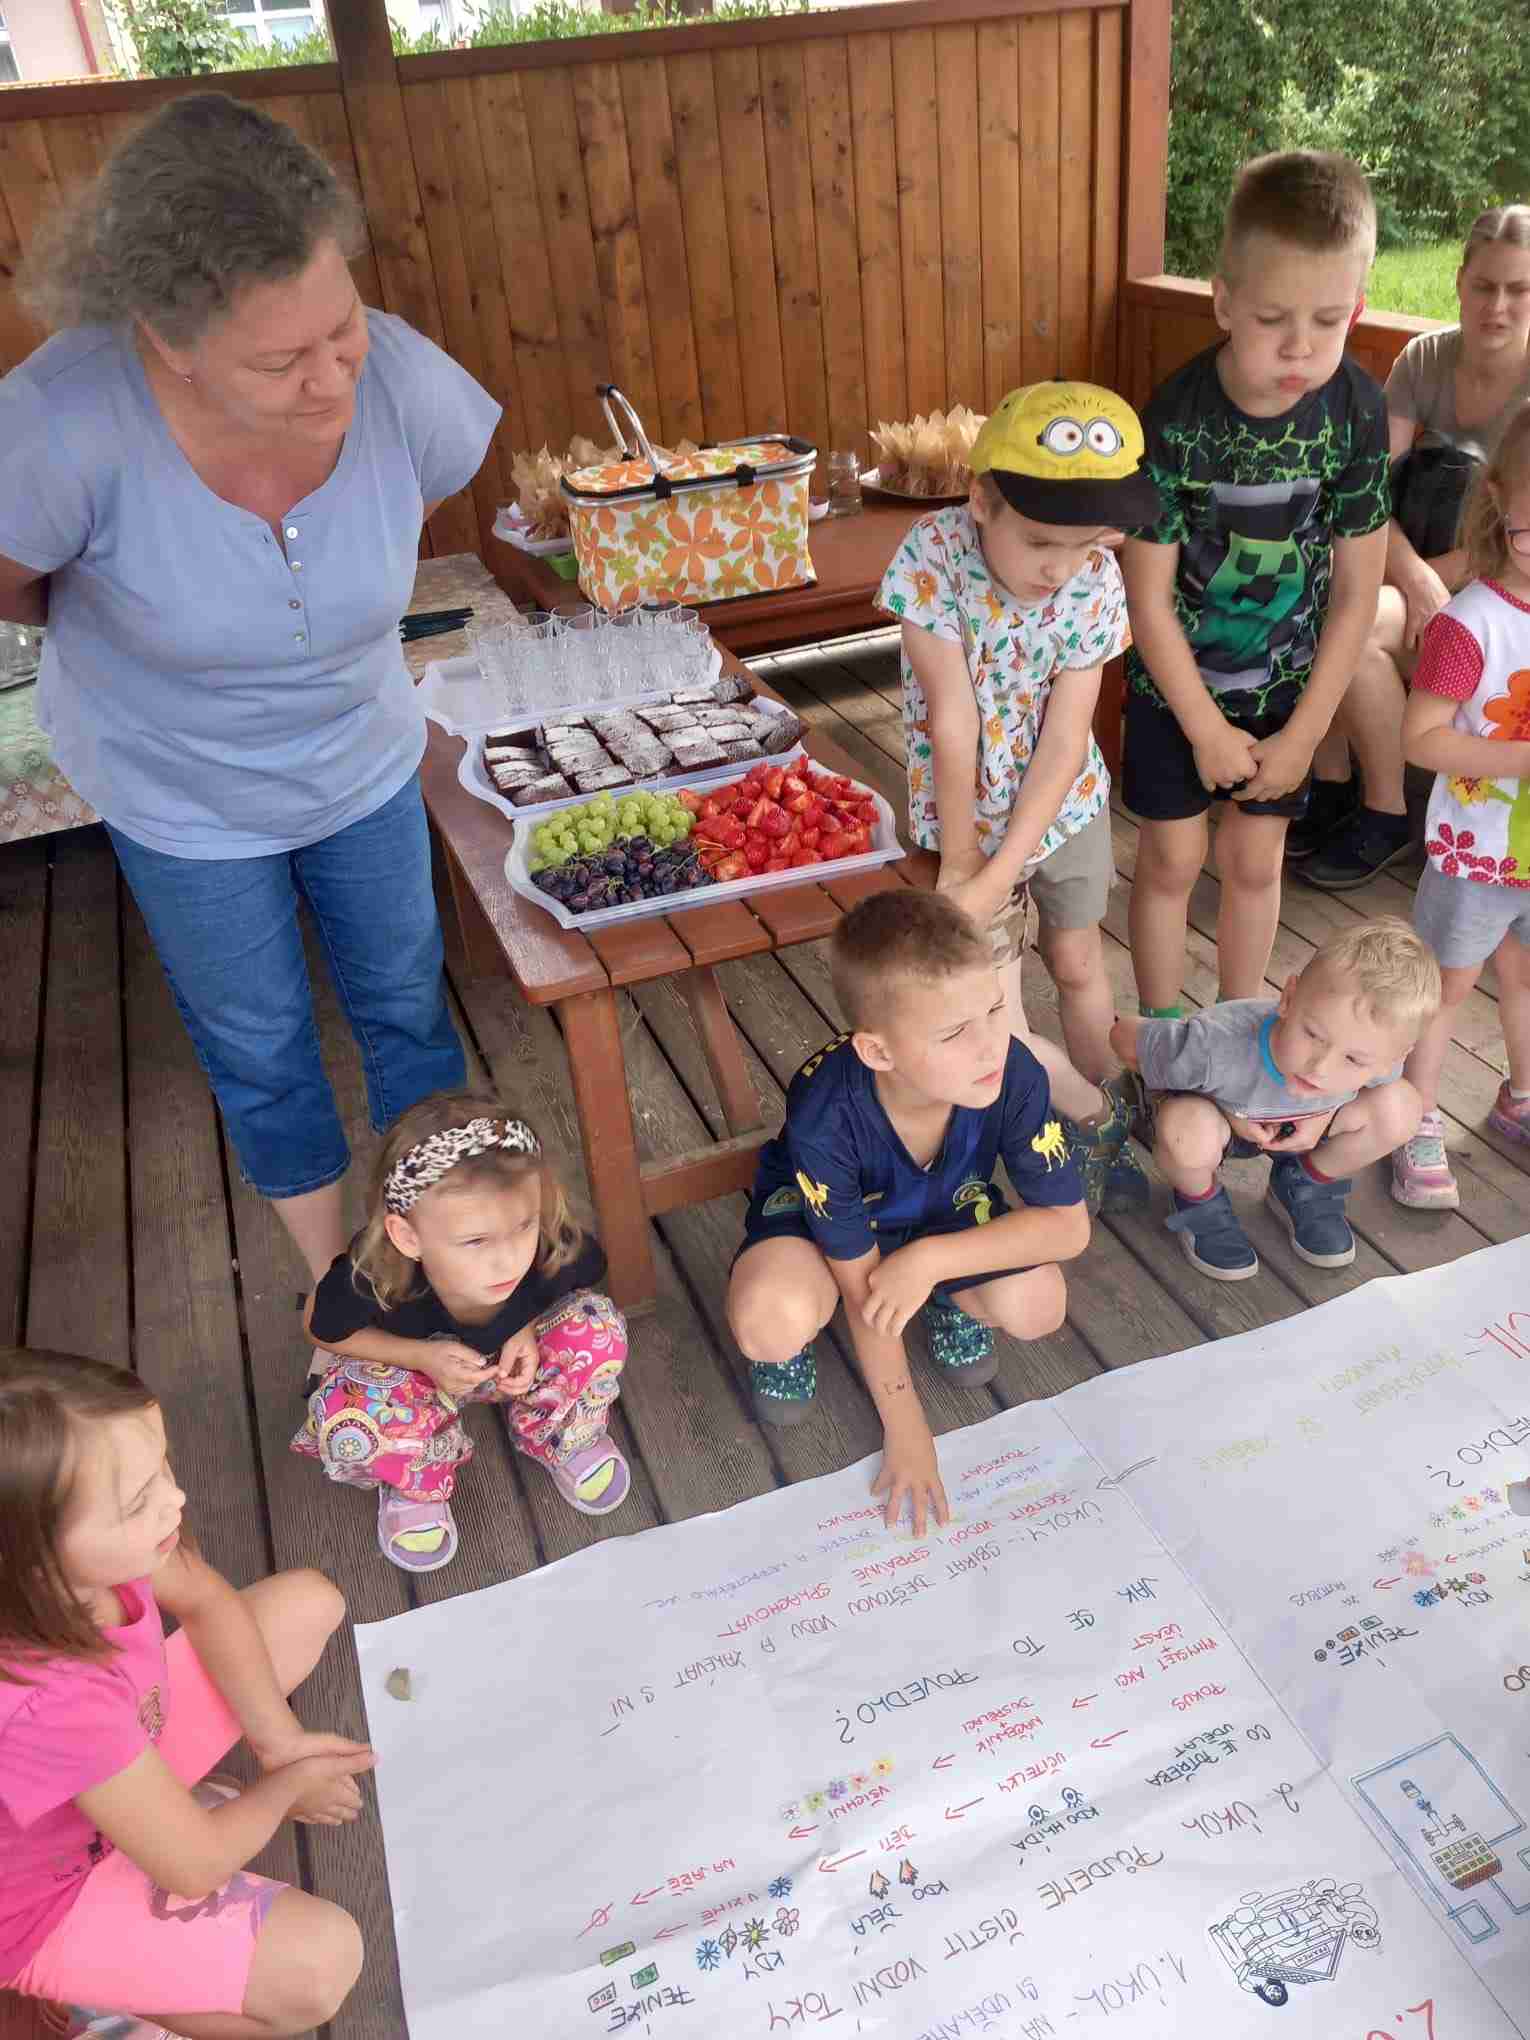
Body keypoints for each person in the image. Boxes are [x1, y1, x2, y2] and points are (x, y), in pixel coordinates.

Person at [0, 93, 501, 1303]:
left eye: (341, 328)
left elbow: (409, 500)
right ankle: (344, 1291)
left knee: (406, 1010)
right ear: (165, 341)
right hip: (178, 788)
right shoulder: (57, 424)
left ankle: (449, 1257)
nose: (331, 379)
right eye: (280, 360)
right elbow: (16, 584)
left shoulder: (402, 379)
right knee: (262, 1046)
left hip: (360, 756)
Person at [0, 1347, 371, 2039]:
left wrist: (280, 1742)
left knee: (306, 1604)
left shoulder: (99, 1561)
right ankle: (104, 2006)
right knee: (321, 1968)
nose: (174, 1499)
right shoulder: (46, 1698)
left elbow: (206, 1601)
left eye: (162, 1467)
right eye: (137, 1501)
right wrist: (287, 1785)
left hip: (118, 1762)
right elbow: (195, 1866)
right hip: (47, 1899)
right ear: (33, 1560)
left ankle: (162, 1828)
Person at [877, 381, 1162, 1211]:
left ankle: (1105, 1105)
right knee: (992, 1016)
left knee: (1078, 964)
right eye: (1040, 541)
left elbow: (1067, 741)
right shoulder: (932, 557)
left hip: (1063, 807)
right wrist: (966, 860)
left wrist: (1002, 871)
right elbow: (952, 716)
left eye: (1083, 544)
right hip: (959, 815)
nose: (1058, 568)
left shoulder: (1094, 581)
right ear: (981, 499)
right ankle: (1090, 1115)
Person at [1121, 150, 1392, 1019]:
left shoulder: (1357, 411)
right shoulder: (1175, 418)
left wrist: (1306, 735)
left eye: (1329, 319)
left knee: (1254, 861)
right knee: (1170, 862)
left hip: (1288, 694)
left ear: (1357, 307)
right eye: (1273, 318)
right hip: (1175, 692)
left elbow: (1357, 596)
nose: (1300, 346)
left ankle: (1239, 1026)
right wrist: (1202, 726)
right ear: (1225, 302)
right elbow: (1146, 597)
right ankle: (1163, 1034)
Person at [726, 892, 1090, 1533]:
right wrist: (908, 1429)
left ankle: (945, 1295)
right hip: (821, 1233)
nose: (990, 1046)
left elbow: (1068, 1227)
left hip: (943, 1214)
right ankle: (791, 1347)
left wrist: (928, 1262)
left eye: (994, 1009)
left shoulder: (1015, 1070)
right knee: (770, 1319)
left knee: (1038, 1304)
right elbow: (860, 1287)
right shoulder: (825, 1116)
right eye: (954, 1032)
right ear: (878, 1052)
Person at [295, 1092, 628, 1570]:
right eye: (475, 1241)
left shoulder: (549, 1244)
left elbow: (585, 1274)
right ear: (408, 1237)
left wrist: (527, 1326)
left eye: (523, 1225)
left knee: (595, 1325)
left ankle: (556, 1431)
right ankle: (417, 1477)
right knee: (344, 1409)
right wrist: (419, 1357)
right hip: (417, 1380)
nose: (508, 1259)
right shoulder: (374, 1274)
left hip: (513, 1367)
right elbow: (318, 1325)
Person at [1300, 204, 1530, 887]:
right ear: (1460, 282)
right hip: (1420, 567)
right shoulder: (1425, 358)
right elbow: (1368, 489)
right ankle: (1333, 783)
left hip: (1507, 588)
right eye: (1484, 285)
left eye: (1519, 289)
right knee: (1317, 593)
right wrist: (1417, 579)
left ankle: (1389, 811)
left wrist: (1436, 580)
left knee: (1357, 624)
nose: (1497, 306)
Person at [1111, 918, 1435, 1280]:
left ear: (1394, 1057)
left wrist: (1324, 1117)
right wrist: (1228, 1111)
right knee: (1186, 1129)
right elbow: (1123, 1035)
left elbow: (1386, 1094)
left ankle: (1305, 1182)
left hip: (1305, 1128)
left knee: (1403, 1108)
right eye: (1313, 1034)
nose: (1320, 1068)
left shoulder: (1381, 1058)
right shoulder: (1214, 1045)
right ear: (1289, 998)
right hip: (1218, 1122)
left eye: (1353, 1060)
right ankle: (1198, 1199)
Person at [1391, 408, 1530, 1207]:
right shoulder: (1468, 622)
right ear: (1499, 500)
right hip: (1475, 851)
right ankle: (1414, 1115)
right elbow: (1421, 739)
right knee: (1446, 985)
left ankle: (1521, 1096)